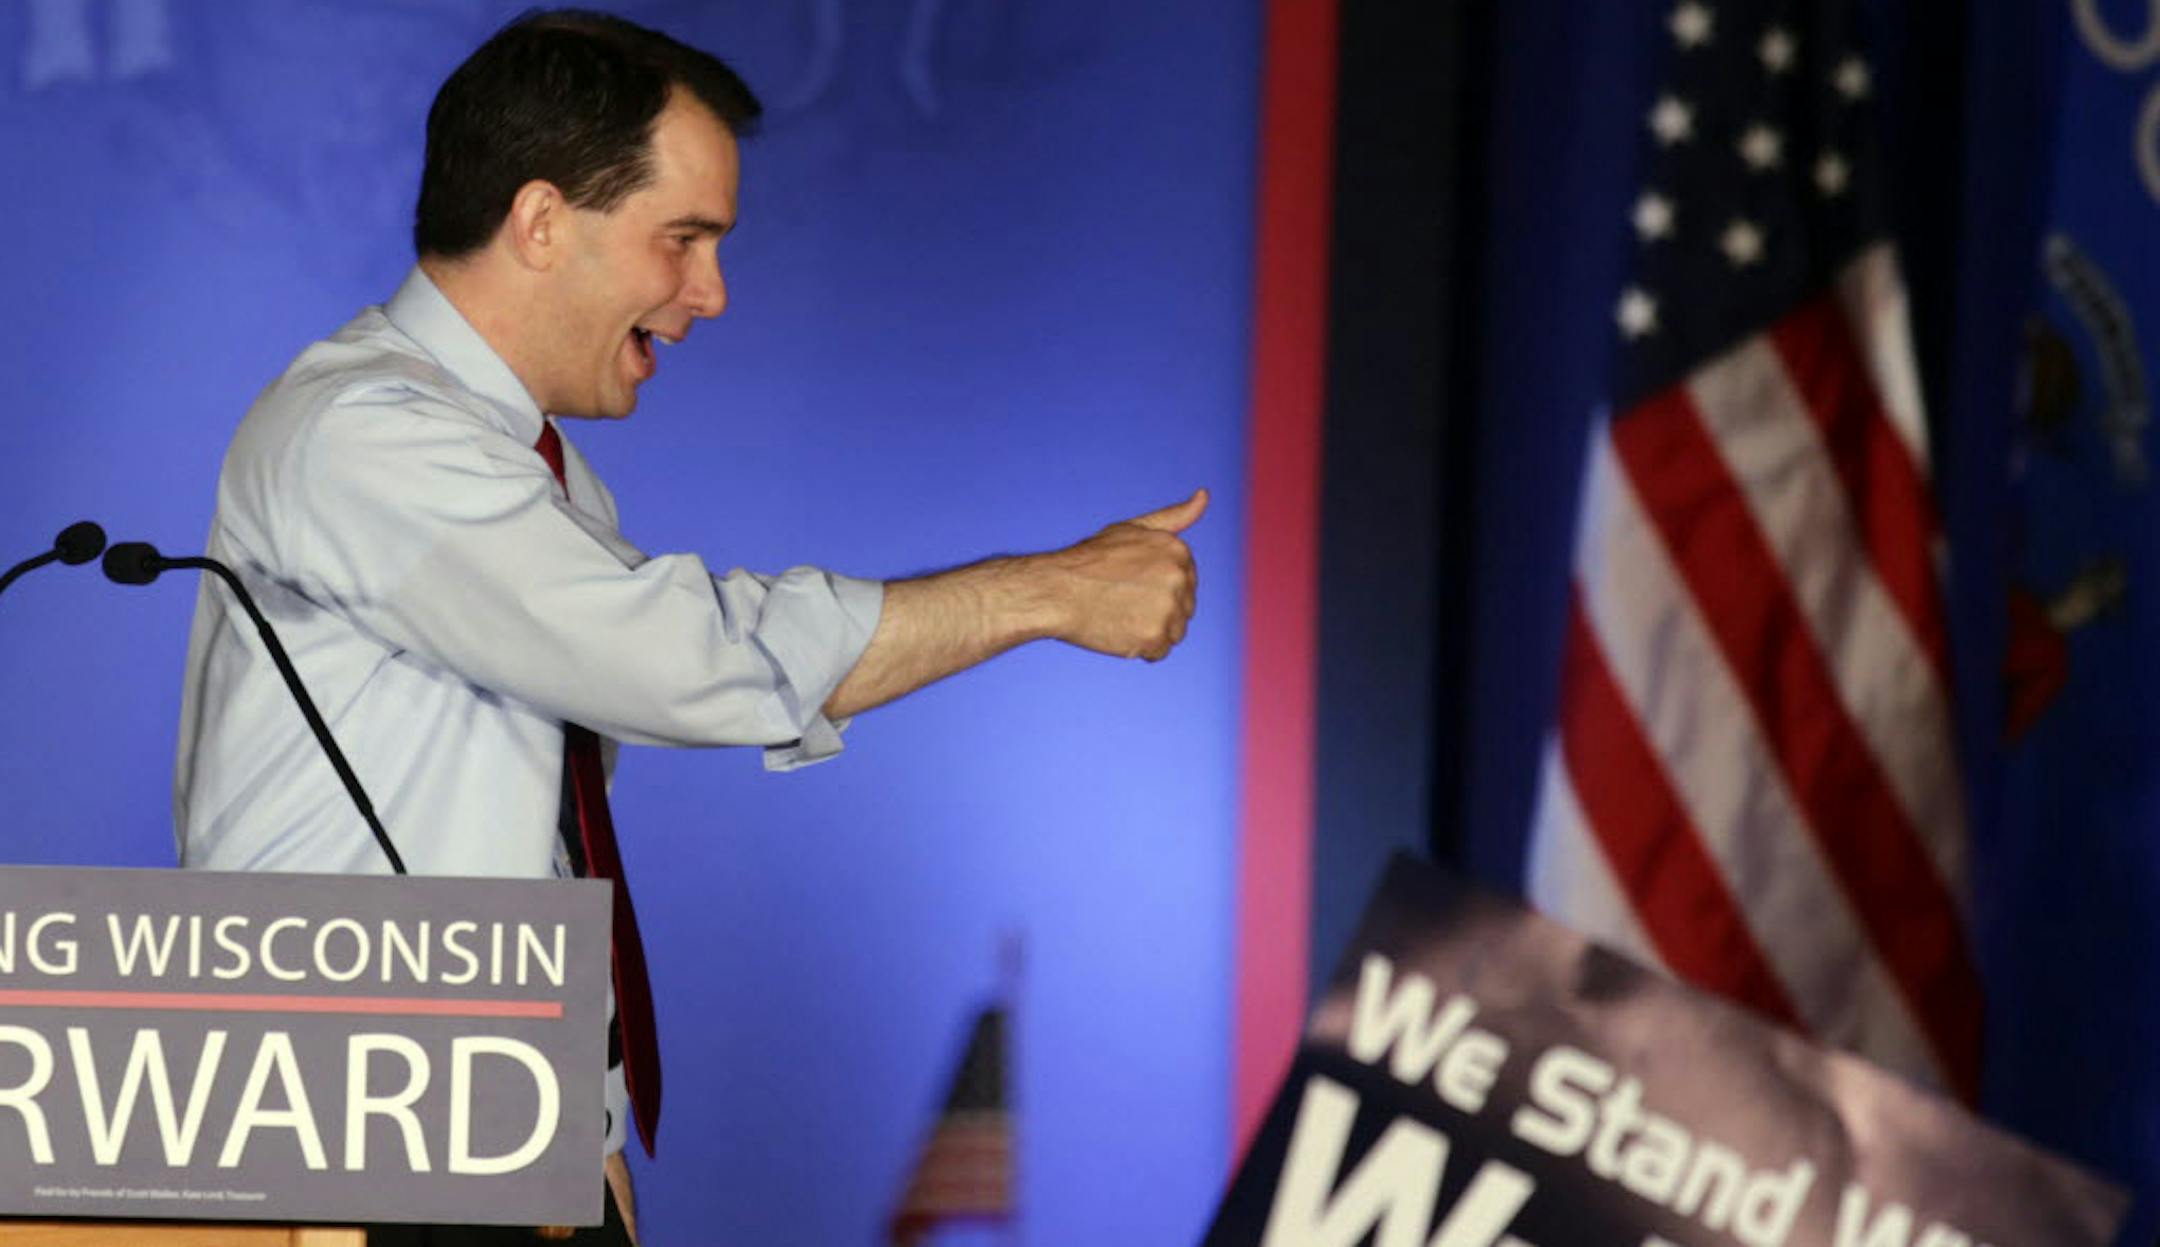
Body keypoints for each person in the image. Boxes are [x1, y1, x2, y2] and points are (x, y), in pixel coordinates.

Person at [172, 9, 1200, 1244]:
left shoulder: (540, 474)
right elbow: (681, 658)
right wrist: (1045, 593)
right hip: (347, 1155)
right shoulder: (363, 432)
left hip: (482, 1143)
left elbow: (531, 844)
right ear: (542, 221)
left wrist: (584, 1133)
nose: (710, 294)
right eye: (685, 238)